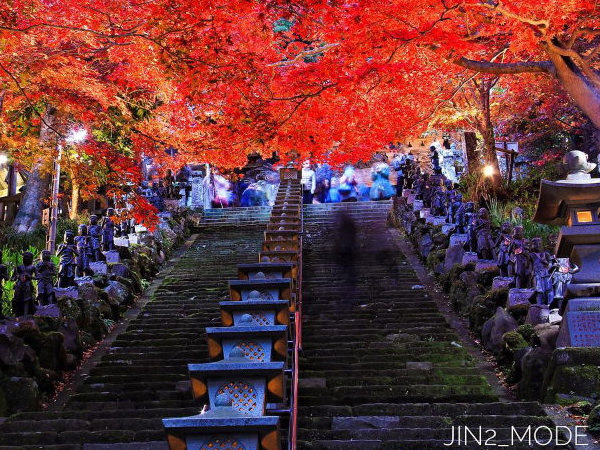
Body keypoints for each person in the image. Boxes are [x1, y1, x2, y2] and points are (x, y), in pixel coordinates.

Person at [12, 251, 36, 317]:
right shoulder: (19, 267)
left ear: (31, 259)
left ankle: (26, 315)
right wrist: (17, 276)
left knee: (27, 299)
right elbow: (12, 278)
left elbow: (38, 277)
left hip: (27, 284)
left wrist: (30, 277)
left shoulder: (32, 267)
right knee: (16, 299)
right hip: (19, 284)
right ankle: (16, 314)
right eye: (24, 257)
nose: (25, 258)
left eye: (27, 257)